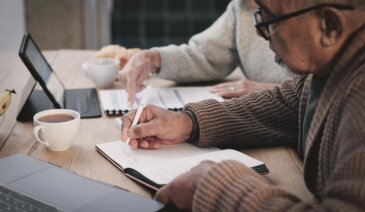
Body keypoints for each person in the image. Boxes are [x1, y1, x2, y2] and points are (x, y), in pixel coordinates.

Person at [121, 0, 365, 210]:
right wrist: (187, 122)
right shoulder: (329, 70)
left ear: (330, 26)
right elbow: (286, 103)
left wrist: (217, 186)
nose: (260, 33)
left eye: (272, 19)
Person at [117, 0, 296, 106]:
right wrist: (151, 58)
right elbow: (203, 55)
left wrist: (274, 92)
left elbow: (323, 89)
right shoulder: (241, 7)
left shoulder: (310, 11)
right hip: (259, 120)